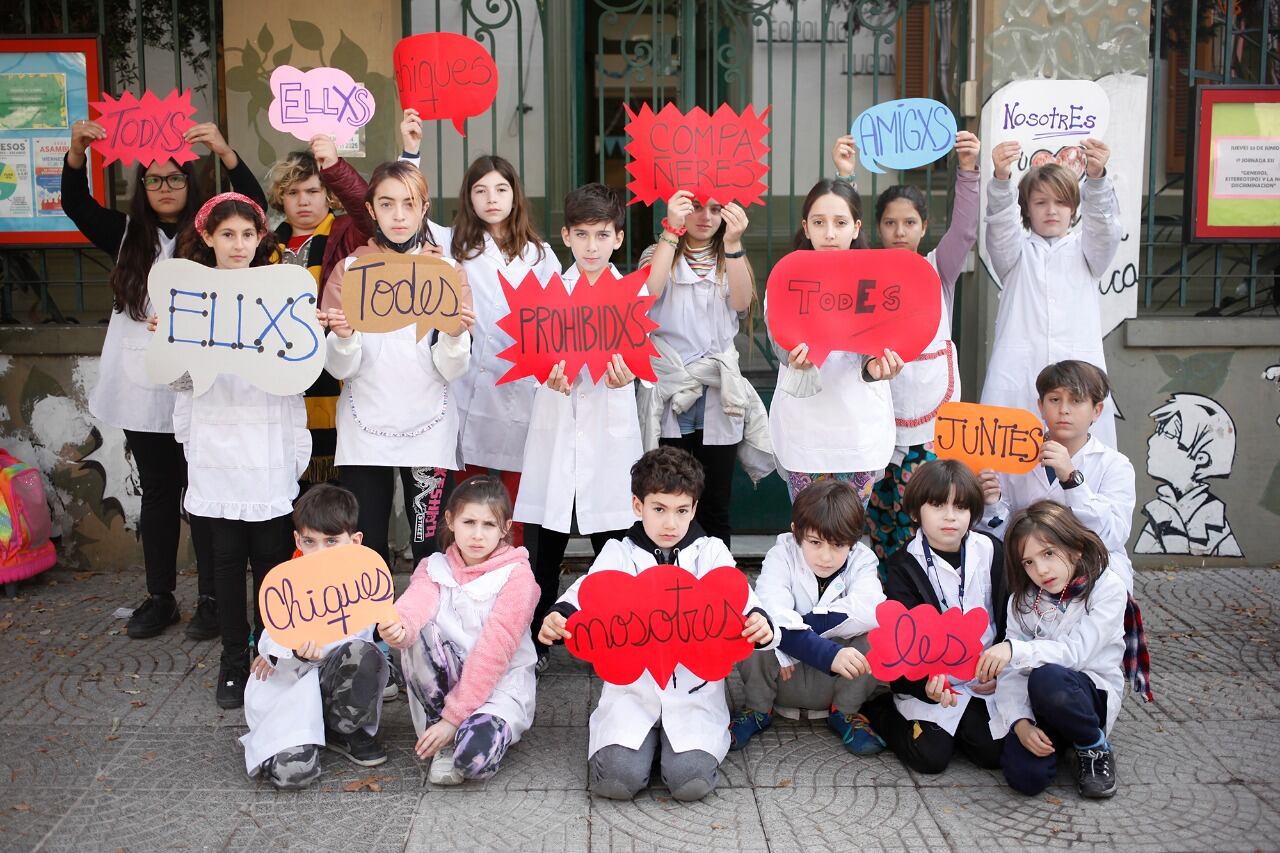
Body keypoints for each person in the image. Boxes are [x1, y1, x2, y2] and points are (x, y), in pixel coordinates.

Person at [62, 119, 264, 641]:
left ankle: (213, 599)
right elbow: (76, 205)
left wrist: (224, 150)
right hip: (141, 384)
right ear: (142, 186)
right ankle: (160, 597)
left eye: (175, 178)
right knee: (158, 492)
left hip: (201, 384)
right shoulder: (125, 233)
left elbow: (255, 206)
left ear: (191, 183)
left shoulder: (209, 233)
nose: (166, 187)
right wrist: (77, 152)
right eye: (155, 179)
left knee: (204, 492)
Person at [537, 447, 776, 802]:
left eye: (681, 511)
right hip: (633, 694)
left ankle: (673, 752)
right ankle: (641, 748)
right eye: (659, 509)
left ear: (694, 509)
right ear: (638, 506)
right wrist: (561, 616)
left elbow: (740, 596)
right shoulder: (619, 552)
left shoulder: (711, 552)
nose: (670, 524)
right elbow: (589, 591)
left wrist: (759, 621)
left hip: (693, 695)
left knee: (690, 783)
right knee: (615, 781)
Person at [168, 193, 311, 709]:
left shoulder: (278, 293)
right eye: (227, 234)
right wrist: (170, 346)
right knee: (226, 561)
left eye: (248, 235)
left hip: (266, 438)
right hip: (217, 440)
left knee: (271, 558)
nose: (238, 245)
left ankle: (270, 655)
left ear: (260, 238)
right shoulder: (189, 297)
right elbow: (180, 382)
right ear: (208, 237)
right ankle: (233, 658)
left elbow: (298, 368)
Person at [320, 161, 475, 570]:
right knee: (365, 542)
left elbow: (452, 369)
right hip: (364, 429)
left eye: (409, 203)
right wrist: (344, 336)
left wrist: (455, 335)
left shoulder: (446, 273)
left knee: (430, 543)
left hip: (429, 428)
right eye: (387, 204)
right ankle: (370, 612)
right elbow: (340, 368)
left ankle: (430, 611)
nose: (399, 215)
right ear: (371, 209)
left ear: (424, 208)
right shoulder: (349, 272)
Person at [514, 183, 641, 672]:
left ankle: (612, 639)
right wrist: (545, 376)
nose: (592, 246)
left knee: (614, 546)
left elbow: (642, 363)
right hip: (557, 432)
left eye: (602, 235)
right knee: (545, 546)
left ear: (618, 238)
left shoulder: (631, 296)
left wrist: (629, 375)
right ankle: (536, 643)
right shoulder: (548, 296)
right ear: (565, 236)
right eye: (582, 234)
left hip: (609, 438)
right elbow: (530, 358)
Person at [861, 131, 982, 569]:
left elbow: (965, 230)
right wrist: (846, 174)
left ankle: (932, 585)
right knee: (882, 513)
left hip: (931, 416)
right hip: (879, 414)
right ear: (877, 227)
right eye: (890, 223)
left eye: (909, 223)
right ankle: (887, 588)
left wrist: (967, 171)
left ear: (924, 227)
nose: (899, 231)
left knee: (929, 506)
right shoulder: (865, 269)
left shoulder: (938, 268)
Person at [380, 476, 538, 785]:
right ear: (451, 521)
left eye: (489, 525)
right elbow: (414, 605)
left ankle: (459, 733)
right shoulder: (434, 566)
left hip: (498, 686)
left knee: (472, 761)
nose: (477, 535)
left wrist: (454, 719)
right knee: (418, 631)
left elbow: (494, 652)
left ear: (505, 528)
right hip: (442, 687)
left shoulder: (518, 576)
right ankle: (441, 736)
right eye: (469, 522)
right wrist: (398, 628)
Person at [636, 191, 772, 546]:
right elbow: (647, 294)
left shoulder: (730, 256)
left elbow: (741, 303)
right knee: (669, 498)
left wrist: (734, 243)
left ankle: (717, 572)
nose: (706, 217)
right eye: (696, 206)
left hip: (717, 391)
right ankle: (671, 570)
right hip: (672, 387)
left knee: (714, 503)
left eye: (715, 209)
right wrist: (671, 230)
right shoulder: (658, 252)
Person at [993, 500, 1151, 799]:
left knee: (1049, 677)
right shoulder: (1023, 600)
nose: (1041, 569)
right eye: (1028, 562)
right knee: (1025, 778)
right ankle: (1063, 742)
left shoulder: (1106, 588)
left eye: (1048, 553)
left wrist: (1016, 649)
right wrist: (1020, 723)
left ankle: (1093, 746)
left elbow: (1076, 654)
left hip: (1085, 696)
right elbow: (1013, 672)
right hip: (1039, 703)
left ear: (1076, 547)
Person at [862, 460, 1011, 775]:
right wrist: (924, 686)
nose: (950, 516)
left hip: (981, 679)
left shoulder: (992, 551)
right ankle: (880, 710)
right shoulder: (904, 565)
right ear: (916, 512)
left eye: (960, 506)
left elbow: (1009, 617)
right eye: (938, 505)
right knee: (929, 758)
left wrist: (1002, 672)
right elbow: (902, 646)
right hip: (930, 680)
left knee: (994, 753)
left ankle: (962, 728)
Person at [241, 484, 389, 789]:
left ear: (355, 541)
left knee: (363, 652)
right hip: (293, 694)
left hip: (335, 682)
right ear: (298, 540)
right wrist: (289, 653)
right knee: (293, 774)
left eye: (332, 541)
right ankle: (294, 742)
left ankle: (345, 729)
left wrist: (398, 632)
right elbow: (273, 642)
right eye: (310, 542)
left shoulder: (364, 584)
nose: (320, 552)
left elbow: (361, 643)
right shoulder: (287, 584)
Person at [767, 176, 903, 505]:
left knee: (850, 528)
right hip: (804, 430)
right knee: (809, 527)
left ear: (856, 228)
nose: (829, 233)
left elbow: (874, 355)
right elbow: (780, 346)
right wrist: (795, 356)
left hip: (858, 430)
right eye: (819, 222)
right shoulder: (786, 279)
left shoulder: (877, 282)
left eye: (840, 222)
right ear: (806, 227)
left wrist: (878, 368)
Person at [450, 155, 561, 549]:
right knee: (467, 494)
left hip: (520, 388)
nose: (491, 199)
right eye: (480, 190)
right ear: (469, 198)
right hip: (469, 385)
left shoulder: (540, 255)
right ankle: (466, 568)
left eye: (500, 189)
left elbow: (556, 320)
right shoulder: (453, 245)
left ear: (515, 195)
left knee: (516, 499)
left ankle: (513, 571)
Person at [981, 139, 1123, 446]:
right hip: (1018, 375)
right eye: (1040, 202)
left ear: (1073, 208)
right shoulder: (1014, 254)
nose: (1051, 211)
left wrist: (1097, 179)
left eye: (1061, 202)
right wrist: (1002, 180)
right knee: (1009, 457)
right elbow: (1000, 228)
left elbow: (1104, 229)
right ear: (1026, 208)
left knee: (1081, 458)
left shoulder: (1088, 252)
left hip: (1078, 374)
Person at [728, 479, 886, 754]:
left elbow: (871, 609)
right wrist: (798, 642)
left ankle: (845, 712)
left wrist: (795, 639)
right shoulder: (781, 553)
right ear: (796, 532)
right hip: (782, 678)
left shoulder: (863, 559)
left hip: (836, 679)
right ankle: (757, 709)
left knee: (878, 635)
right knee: (755, 624)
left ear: (853, 541)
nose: (826, 556)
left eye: (838, 545)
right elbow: (772, 609)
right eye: (815, 542)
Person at [980, 361, 1137, 591]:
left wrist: (1072, 480)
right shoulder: (1013, 456)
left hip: (1093, 577)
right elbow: (1004, 535)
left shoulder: (1115, 465)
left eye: (1076, 400)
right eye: (1054, 400)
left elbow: (1112, 536)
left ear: (1096, 410)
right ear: (1041, 406)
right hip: (1030, 574)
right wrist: (992, 504)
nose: (1064, 410)